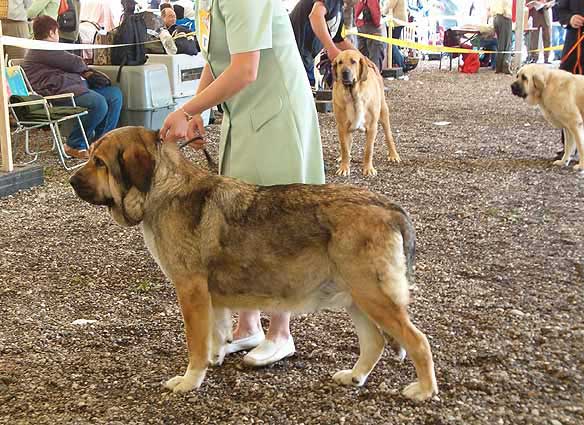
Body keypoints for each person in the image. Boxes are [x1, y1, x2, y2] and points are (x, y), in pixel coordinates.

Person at [160, 0, 325, 367]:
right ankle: (247, 324)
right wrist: (199, 108)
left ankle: (281, 332)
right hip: (244, 114)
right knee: (240, 226)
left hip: (276, 115)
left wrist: (187, 110)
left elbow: (245, 69)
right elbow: (216, 59)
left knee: (278, 226)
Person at [23, 16, 123, 159]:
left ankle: (102, 144)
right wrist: (85, 69)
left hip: (71, 87)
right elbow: (75, 62)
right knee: (99, 103)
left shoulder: (42, 49)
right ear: (52, 32)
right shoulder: (43, 48)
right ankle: (74, 144)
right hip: (56, 91)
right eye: (57, 32)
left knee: (114, 95)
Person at [289, 0, 355, 86]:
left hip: (306, 56)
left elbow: (338, 41)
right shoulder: (332, 2)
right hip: (295, 53)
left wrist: (363, 59)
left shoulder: (338, 8)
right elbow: (315, 15)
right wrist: (331, 49)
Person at [555, 0, 584, 161]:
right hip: (574, 45)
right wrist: (570, 18)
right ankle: (569, 148)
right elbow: (560, 10)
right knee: (564, 99)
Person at [354, 0, 385, 71]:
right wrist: (378, 24)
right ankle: (375, 77)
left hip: (360, 26)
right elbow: (375, 13)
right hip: (371, 27)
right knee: (375, 56)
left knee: (363, 56)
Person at [489, 0, 513, 74]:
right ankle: (505, 65)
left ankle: (499, 66)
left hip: (496, 17)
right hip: (504, 17)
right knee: (506, 43)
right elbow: (506, 3)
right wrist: (508, 13)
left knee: (500, 44)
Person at [382, 0, 407, 70]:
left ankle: (402, 63)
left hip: (396, 22)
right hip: (398, 21)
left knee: (392, 44)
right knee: (394, 44)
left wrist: (381, 12)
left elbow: (390, 6)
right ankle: (400, 62)